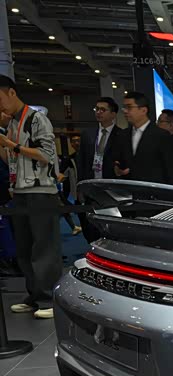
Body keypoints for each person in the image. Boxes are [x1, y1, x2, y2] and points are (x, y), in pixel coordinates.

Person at [0, 75, 61, 319]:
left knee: (44, 247)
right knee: (24, 249)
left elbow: (47, 155)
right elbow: (11, 160)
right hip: (19, 192)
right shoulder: (12, 123)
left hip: (41, 191)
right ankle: (34, 295)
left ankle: (49, 298)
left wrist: (12, 145)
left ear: (11, 92)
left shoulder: (37, 119)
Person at [75, 96, 124, 243]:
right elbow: (81, 161)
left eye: (103, 109)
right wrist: (80, 186)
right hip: (91, 184)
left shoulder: (121, 135)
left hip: (112, 187)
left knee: (112, 226)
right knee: (90, 225)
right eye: (97, 109)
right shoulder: (88, 134)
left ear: (113, 114)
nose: (98, 112)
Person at [112, 92, 173, 186]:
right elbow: (118, 159)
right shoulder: (122, 135)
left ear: (143, 110)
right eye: (124, 107)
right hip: (128, 190)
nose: (125, 111)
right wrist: (117, 167)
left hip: (154, 191)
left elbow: (171, 170)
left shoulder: (162, 136)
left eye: (129, 107)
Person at [57, 134, 81, 235]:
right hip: (74, 188)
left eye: (78, 140)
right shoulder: (69, 159)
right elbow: (62, 174)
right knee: (64, 205)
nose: (76, 143)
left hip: (88, 187)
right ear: (71, 144)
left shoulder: (89, 156)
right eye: (74, 141)